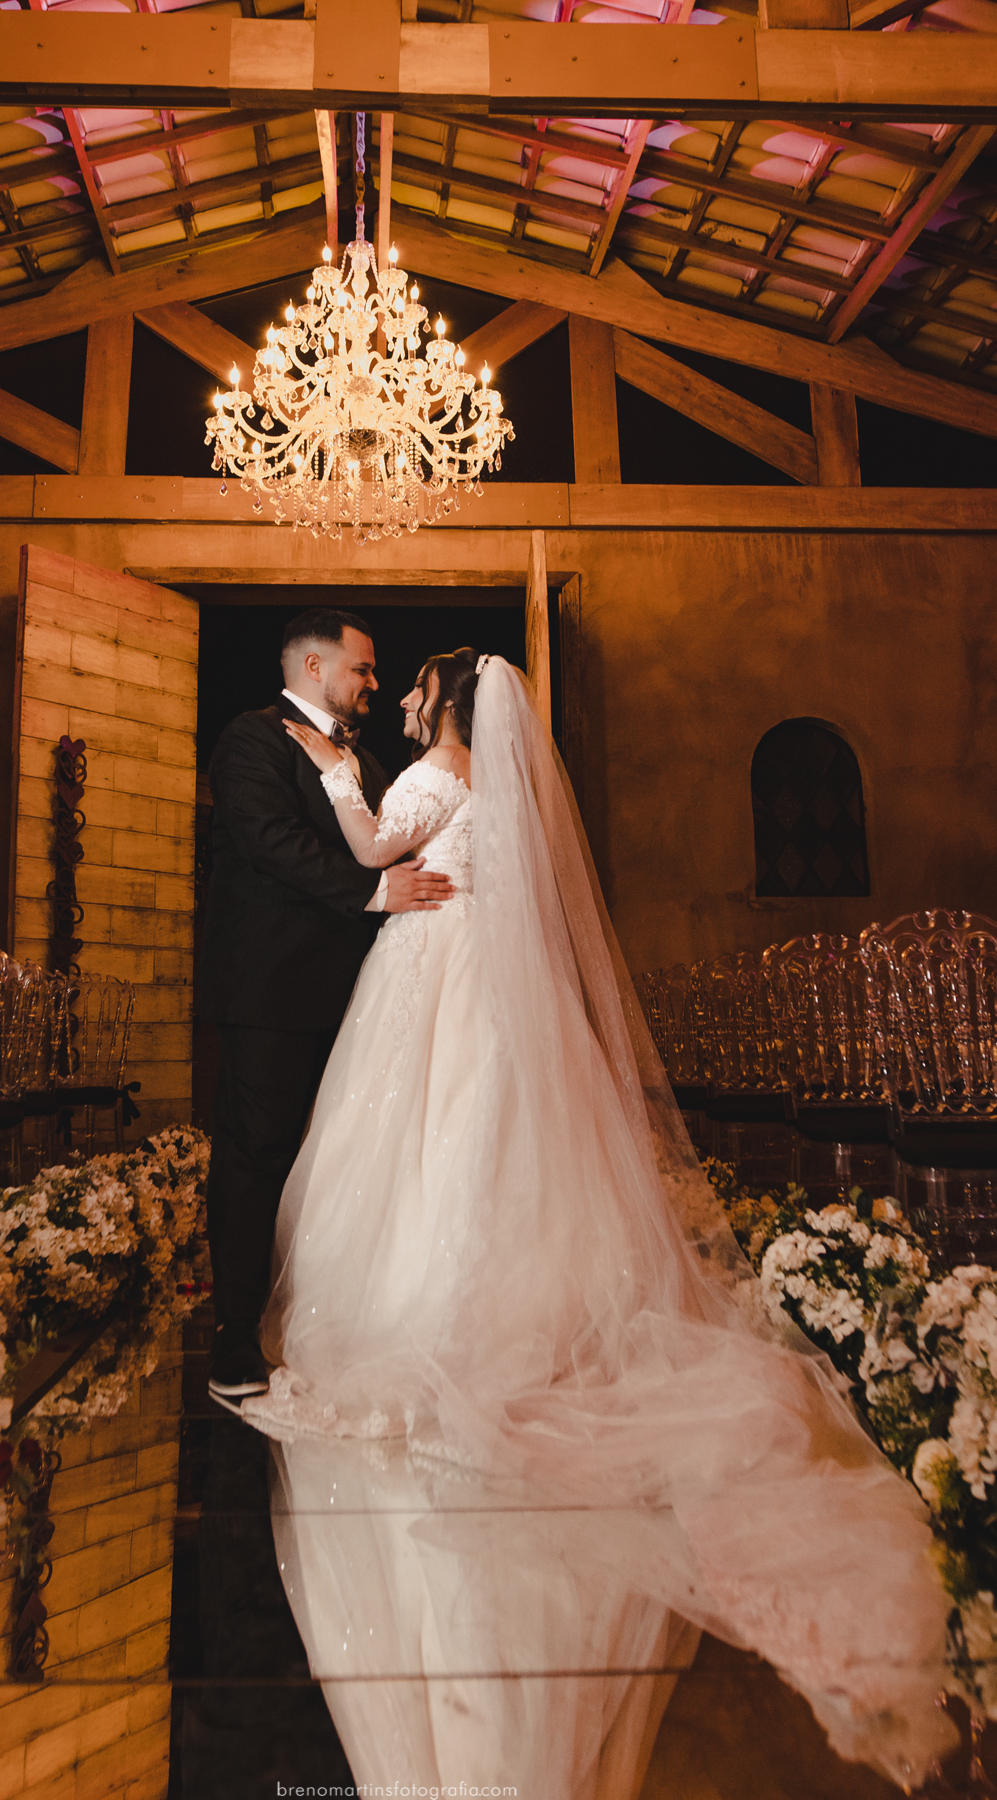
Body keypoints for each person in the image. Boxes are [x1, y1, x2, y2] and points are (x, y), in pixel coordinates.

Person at [240, 648, 956, 1790]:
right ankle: (517, 1305)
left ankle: (434, 1315)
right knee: (489, 1141)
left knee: (426, 1147)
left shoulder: (431, 778)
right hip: (479, 976)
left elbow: (374, 848)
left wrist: (333, 771)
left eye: (417, 689)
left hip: (426, 968)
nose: (407, 700)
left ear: (444, 706)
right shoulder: (495, 789)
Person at [200, 607, 454, 1409]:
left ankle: (311, 1322)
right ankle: (235, 1337)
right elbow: (268, 838)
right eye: (364, 669)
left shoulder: (369, 760)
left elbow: (394, 841)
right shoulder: (250, 739)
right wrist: (378, 889)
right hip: (273, 991)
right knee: (257, 1154)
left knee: (336, 1166)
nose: (376, 683)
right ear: (315, 669)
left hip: (358, 1000)